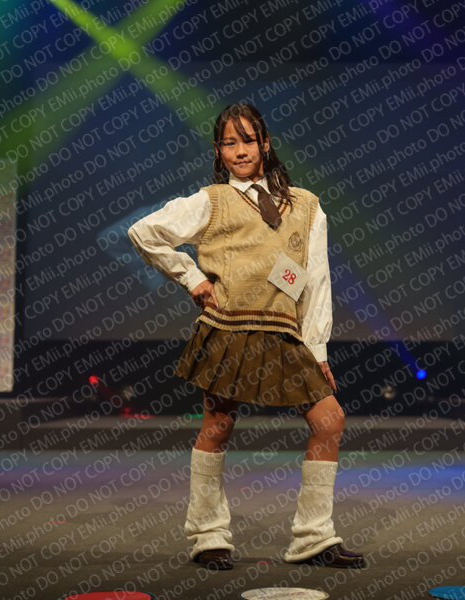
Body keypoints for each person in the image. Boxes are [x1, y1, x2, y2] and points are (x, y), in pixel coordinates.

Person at [127, 102, 365, 570]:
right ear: (219, 151)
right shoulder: (212, 200)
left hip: (282, 331)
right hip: (229, 327)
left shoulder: (306, 205)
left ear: (266, 144)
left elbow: (316, 281)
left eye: (248, 141)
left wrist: (317, 348)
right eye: (229, 143)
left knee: (329, 420)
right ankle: (208, 536)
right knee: (218, 427)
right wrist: (192, 278)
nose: (240, 151)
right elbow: (144, 231)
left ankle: (313, 537)